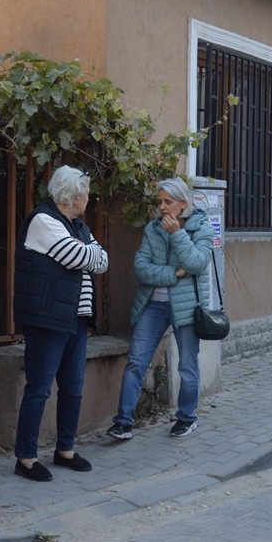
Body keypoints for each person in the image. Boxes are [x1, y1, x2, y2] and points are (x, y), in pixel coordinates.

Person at [12, 165, 109, 482]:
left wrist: (90, 252)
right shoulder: (43, 220)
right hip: (47, 320)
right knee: (39, 389)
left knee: (73, 388)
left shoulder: (77, 225)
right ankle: (25, 458)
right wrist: (89, 253)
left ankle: (64, 450)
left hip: (75, 320)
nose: (89, 198)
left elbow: (102, 260)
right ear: (72, 194)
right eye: (86, 192)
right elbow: (77, 258)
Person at [107, 179, 215, 441]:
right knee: (136, 361)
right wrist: (174, 274)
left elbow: (198, 262)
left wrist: (178, 234)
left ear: (182, 204)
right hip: (153, 304)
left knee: (187, 365)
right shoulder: (152, 230)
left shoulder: (201, 227)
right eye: (160, 202)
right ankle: (123, 422)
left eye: (168, 202)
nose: (162, 207)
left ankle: (186, 417)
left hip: (187, 307)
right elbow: (141, 268)